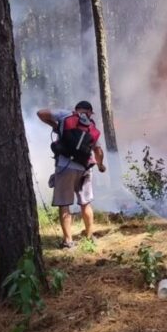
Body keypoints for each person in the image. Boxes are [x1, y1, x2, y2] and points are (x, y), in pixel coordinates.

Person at [37, 101, 106, 249]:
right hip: (85, 168)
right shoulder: (90, 126)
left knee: (64, 204)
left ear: (76, 109)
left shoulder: (64, 115)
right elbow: (98, 151)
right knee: (85, 203)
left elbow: (40, 113)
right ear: (90, 112)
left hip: (64, 167)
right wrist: (100, 165)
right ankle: (89, 237)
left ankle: (68, 242)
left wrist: (55, 126)